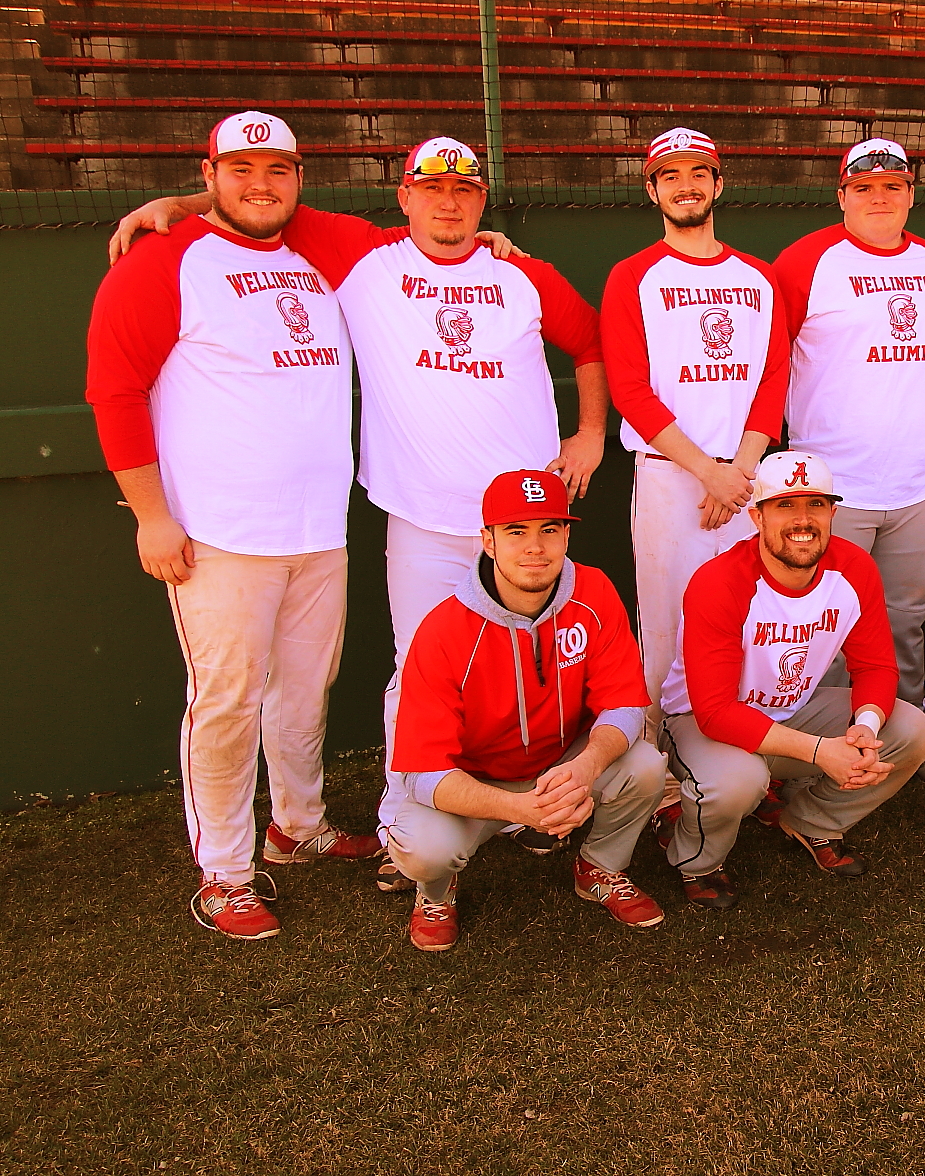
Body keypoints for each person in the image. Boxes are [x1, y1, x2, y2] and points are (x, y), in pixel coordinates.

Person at [109, 134, 608, 809]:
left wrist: (590, 434)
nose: (448, 204)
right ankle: (406, 820)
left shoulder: (522, 274)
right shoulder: (365, 258)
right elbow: (261, 201)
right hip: (421, 517)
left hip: (525, 522)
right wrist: (180, 202)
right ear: (404, 197)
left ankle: (525, 801)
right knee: (421, 672)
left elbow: (588, 341)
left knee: (531, 663)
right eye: (431, 189)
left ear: (482, 199)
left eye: (464, 190)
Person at [85, 112, 379, 941]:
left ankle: (298, 824)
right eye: (240, 168)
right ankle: (224, 873)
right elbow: (114, 390)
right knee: (225, 703)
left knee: (303, 690)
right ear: (207, 169)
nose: (261, 184)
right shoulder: (162, 260)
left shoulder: (320, 253)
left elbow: (425, 233)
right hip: (218, 534)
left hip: (318, 528)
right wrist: (150, 517)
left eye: (278, 169)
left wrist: (493, 237)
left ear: (299, 177)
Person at [384, 471, 668, 951]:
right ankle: (436, 894)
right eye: (517, 531)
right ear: (488, 541)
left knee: (645, 765)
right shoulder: (442, 631)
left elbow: (624, 704)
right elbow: (421, 772)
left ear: (567, 535)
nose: (535, 547)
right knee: (424, 848)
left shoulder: (594, 592)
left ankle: (599, 867)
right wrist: (521, 810)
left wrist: (585, 768)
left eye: (549, 529)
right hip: (474, 782)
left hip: (560, 764)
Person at [655, 452, 925, 909]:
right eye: (785, 505)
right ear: (756, 516)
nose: (803, 520)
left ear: (833, 513)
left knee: (908, 729)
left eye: (816, 505)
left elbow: (876, 666)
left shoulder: (854, 568)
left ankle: (810, 821)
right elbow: (716, 713)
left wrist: (864, 726)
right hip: (699, 721)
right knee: (737, 781)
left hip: (792, 710)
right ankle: (697, 859)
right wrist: (824, 752)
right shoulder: (719, 581)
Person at [601, 128, 791, 716]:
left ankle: (749, 745)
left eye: (698, 173)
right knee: (665, 623)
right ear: (652, 190)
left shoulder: (759, 276)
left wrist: (737, 471)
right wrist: (709, 473)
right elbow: (631, 390)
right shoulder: (631, 275)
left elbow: (772, 381)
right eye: (672, 175)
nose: (687, 185)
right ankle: (657, 756)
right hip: (670, 474)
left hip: (744, 475)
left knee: (753, 620)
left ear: (719, 183)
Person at [773, 139, 925, 705]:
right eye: (864, 188)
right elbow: (769, 366)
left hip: (913, 483)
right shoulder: (805, 260)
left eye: (892, 186)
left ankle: (899, 728)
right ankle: (822, 741)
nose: (878, 198)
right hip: (831, 486)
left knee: (906, 617)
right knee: (822, 625)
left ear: (911, 196)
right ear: (841, 197)